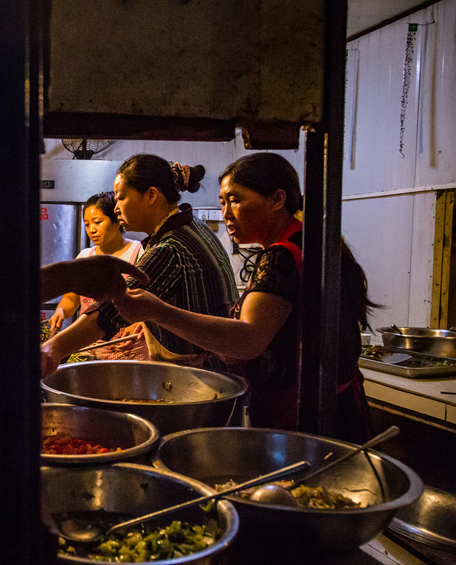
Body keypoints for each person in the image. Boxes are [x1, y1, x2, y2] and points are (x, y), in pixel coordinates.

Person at [112, 152, 375, 442]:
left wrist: (158, 311)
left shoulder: (282, 255)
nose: (225, 212)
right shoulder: (308, 241)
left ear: (277, 199)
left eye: (236, 200)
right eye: (223, 201)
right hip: (331, 407)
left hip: (303, 420)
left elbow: (248, 339)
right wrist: (212, 350)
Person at [41, 154, 238, 376]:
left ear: (151, 195)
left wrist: (54, 348)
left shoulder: (169, 248)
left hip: (204, 380)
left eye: (121, 197)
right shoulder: (193, 226)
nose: (116, 208)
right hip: (217, 373)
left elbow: (115, 308)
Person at [47, 192, 145, 359]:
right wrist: (61, 310)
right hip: (90, 349)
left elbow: (152, 299)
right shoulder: (85, 257)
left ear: (116, 221)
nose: (92, 230)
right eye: (87, 224)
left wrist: (141, 322)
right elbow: (71, 298)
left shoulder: (139, 253)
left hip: (130, 348)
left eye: (98, 222)